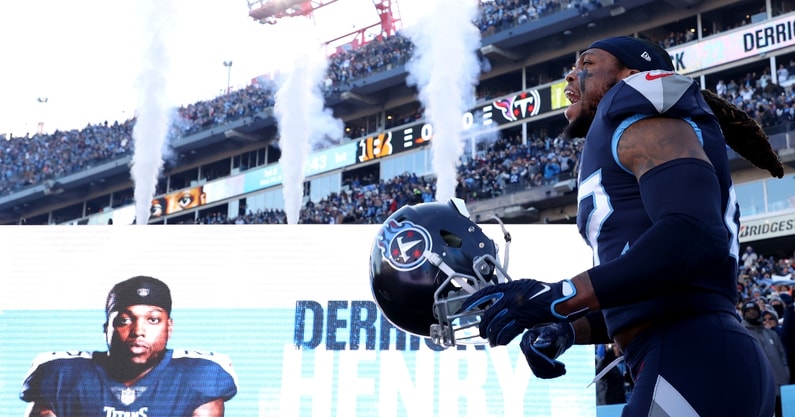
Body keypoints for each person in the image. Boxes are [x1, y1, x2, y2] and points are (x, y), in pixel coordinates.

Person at [458, 36, 784, 416]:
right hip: (698, 359)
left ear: (631, 75)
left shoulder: (639, 106)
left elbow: (693, 235)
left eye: (587, 64)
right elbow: (655, 286)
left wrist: (560, 294)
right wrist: (566, 326)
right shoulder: (627, 126)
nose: (570, 74)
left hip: (690, 355)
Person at [20, 276, 238, 417]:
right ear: (107, 328)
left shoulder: (200, 375)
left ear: (169, 327)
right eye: (124, 320)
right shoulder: (60, 374)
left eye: (152, 320)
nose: (138, 331)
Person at [743, 302, 790, 417]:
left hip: (782, 386)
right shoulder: (743, 335)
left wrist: (786, 374)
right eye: (748, 311)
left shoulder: (771, 334)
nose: (752, 312)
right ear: (744, 314)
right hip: (762, 389)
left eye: (754, 309)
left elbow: (782, 356)